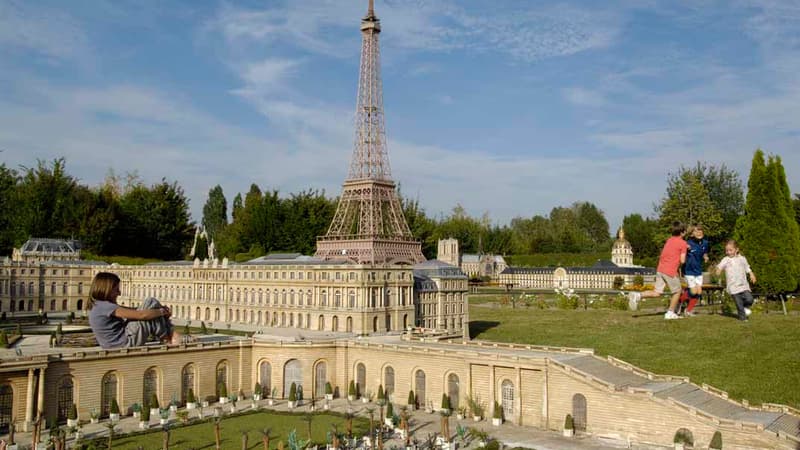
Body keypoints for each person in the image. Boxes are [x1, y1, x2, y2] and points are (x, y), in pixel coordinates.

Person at [88, 272, 182, 348]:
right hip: (125, 343)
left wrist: (157, 311)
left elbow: (133, 311)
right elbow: (141, 315)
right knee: (150, 301)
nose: (119, 293)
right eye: (116, 290)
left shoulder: (98, 305)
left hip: (115, 344)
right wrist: (162, 312)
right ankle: (168, 337)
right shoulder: (105, 306)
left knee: (151, 308)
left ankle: (167, 337)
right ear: (106, 290)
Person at [629, 221, 687, 319]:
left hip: (660, 269)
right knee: (677, 291)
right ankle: (670, 313)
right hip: (670, 270)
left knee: (657, 292)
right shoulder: (683, 243)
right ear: (682, 232)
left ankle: (638, 295)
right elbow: (682, 260)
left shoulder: (669, 240)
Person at [716, 240, 757, 321]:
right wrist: (718, 270)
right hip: (733, 286)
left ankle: (745, 307)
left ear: (736, 249)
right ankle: (743, 318)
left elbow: (747, 268)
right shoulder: (726, 259)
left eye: (730, 250)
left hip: (743, 285)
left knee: (750, 299)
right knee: (739, 303)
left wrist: (752, 274)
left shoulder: (742, 259)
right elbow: (720, 266)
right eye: (727, 250)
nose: (728, 252)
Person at [680, 224, 710, 316]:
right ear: (692, 234)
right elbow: (680, 254)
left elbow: (704, 252)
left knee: (699, 292)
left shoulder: (705, 243)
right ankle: (679, 301)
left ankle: (688, 310)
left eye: (701, 230)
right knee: (693, 291)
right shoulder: (688, 243)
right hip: (689, 271)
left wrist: (705, 257)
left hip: (698, 271)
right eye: (697, 231)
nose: (699, 232)